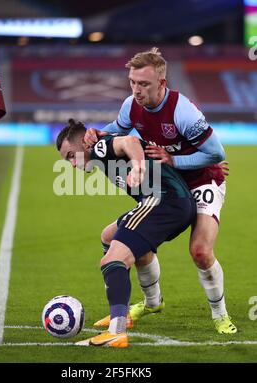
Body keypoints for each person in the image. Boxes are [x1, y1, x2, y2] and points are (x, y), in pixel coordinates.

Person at [84, 47, 237, 334]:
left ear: (161, 83)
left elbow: (216, 153)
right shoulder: (131, 105)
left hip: (202, 180)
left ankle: (220, 315)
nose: (137, 90)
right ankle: (153, 302)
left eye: (144, 84)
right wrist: (98, 133)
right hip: (169, 184)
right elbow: (117, 129)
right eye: (132, 82)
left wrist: (174, 159)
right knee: (129, 239)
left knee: (201, 251)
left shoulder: (182, 111)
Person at [56, 119, 196, 347]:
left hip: (164, 202)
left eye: (71, 155)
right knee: (109, 236)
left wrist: (139, 167)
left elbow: (130, 141)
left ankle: (116, 331)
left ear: (84, 143)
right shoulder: (100, 158)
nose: (72, 164)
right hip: (168, 202)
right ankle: (152, 302)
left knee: (112, 260)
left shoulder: (100, 148)